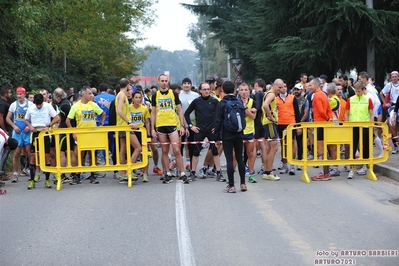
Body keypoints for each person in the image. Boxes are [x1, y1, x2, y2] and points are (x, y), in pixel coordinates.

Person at [151, 74, 188, 184]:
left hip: (172, 125)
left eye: (166, 81)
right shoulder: (155, 95)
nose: (164, 82)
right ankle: (167, 173)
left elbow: (180, 110)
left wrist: (182, 125)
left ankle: (182, 173)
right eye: (162, 81)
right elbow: (153, 112)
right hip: (161, 126)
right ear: (158, 81)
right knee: (165, 151)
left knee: (177, 150)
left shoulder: (173, 93)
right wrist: (153, 129)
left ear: (168, 81)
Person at [66, 87, 105, 184]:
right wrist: (73, 132)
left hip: (92, 134)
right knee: (80, 155)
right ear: (83, 94)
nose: (91, 95)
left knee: (92, 154)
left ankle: (93, 176)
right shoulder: (75, 106)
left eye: (91, 93)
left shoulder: (93, 105)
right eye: (89, 93)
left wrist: (101, 124)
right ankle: (77, 176)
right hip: (81, 134)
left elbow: (103, 113)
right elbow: (68, 121)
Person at [214, 81, 246, 193]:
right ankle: (243, 183)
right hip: (239, 133)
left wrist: (217, 138)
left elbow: (218, 122)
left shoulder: (222, 103)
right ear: (234, 90)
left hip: (227, 134)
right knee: (239, 158)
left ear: (223, 89)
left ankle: (231, 185)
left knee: (229, 159)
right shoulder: (239, 102)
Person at [184, 82, 220, 182]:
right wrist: (191, 126)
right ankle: (192, 173)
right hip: (200, 130)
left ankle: (218, 173)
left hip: (211, 130)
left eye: (208, 89)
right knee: (196, 152)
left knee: (215, 151)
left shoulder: (214, 101)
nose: (206, 91)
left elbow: (220, 114)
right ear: (200, 91)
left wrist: (217, 127)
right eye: (204, 89)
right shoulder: (196, 101)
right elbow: (186, 114)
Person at [24, 94, 60, 189]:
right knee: (33, 157)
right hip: (35, 132)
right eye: (37, 104)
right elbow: (26, 119)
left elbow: (57, 118)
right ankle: (32, 181)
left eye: (40, 104)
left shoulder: (48, 106)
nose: (39, 106)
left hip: (45, 133)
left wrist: (49, 125)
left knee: (47, 157)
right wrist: (31, 127)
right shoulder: (31, 108)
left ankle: (47, 180)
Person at [344, 81, 374, 179]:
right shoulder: (350, 99)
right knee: (352, 146)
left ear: (363, 90)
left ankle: (366, 166)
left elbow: (371, 113)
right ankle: (351, 169)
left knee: (366, 146)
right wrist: (347, 124)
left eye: (359, 91)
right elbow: (347, 114)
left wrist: (371, 125)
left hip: (365, 126)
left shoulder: (368, 99)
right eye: (356, 91)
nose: (357, 93)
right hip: (354, 125)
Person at [6, 87, 33, 182]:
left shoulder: (30, 104)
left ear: (24, 94)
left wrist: (29, 126)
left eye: (20, 94)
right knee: (16, 153)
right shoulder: (14, 105)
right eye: (17, 94)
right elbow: (8, 118)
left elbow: (34, 117)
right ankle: (15, 173)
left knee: (29, 152)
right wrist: (14, 126)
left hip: (27, 131)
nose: (19, 96)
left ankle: (30, 171)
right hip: (17, 132)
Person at [309, 78, 333, 181]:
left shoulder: (318, 95)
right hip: (324, 123)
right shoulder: (323, 94)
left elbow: (321, 110)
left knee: (321, 149)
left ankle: (325, 173)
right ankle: (325, 172)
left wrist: (327, 119)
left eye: (310, 85)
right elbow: (327, 109)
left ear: (316, 85)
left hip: (321, 124)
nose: (309, 87)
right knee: (323, 148)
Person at [276, 81, 300, 176]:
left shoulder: (292, 97)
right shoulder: (275, 99)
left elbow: (297, 113)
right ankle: (285, 164)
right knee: (283, 145)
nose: (283, 89)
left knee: (293, 143)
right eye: (281, 87)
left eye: (285, 87)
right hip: (281, 124)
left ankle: (292, 165)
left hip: (291, 124)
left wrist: (298, 126)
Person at [261, 79, 283, 181]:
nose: (281, 89)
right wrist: (271, 118)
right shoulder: (272, 95)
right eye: (279, 87)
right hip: (269, 123)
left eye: (282, 87)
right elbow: (265, 105)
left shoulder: (269, 93)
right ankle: (268, 171)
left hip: (267, 122)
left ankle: (266, 170)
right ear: (274, 85)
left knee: (268, 148)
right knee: (274, 147)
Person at [128, 90, 151, 182]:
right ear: (133, 98)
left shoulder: (144, 108)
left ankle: (145, 173)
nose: (138, 99)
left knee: (145, 153)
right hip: (132, 133)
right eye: (136, 97)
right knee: (133, 152)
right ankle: (131, 170)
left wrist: (148, 134)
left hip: (142, 131)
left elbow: (147, 122)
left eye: (140, 98)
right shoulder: (129, 108)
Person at [179, 77, 199, 174]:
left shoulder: (196, 95)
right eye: (185, 83)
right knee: (180, 147)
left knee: (191, 146)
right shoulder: (178, 96)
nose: (186, 85)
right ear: (182, 85)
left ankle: (191, 166)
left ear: (191, 85)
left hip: (193, 124)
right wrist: (182, 124)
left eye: (188, 83)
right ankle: (180, 168)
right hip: (181, 124)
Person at [238, 83, 257, 183]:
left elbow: (253, 117)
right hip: (239, 131)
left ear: (249, 92)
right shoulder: (236, 101)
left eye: (246, 90)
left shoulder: (253, 101)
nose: (244, 92)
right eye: (242, 90)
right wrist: (248, 111)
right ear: (239, 91)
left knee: (250, 153)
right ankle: (237, 174)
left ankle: (251, 173)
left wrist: (245, 109)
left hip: (249, 130)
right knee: (238, 154)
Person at [380, 71, 399, 154]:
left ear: (398, 77)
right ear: (391, 78)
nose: (394, 78)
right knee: (392, 123)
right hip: (392, 106)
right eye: (393, 76)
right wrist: (385, 103)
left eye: (395, 76)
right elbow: (381, 93)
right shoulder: (389, 85)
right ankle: (395, 146)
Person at [0, 85, 12, 179]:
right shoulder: (3, 104)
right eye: (10, 92)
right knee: (5, 150)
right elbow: (0, 117)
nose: (11, 94)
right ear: (5, 93)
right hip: (2, 131)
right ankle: (1, 172)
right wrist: (4, 130)